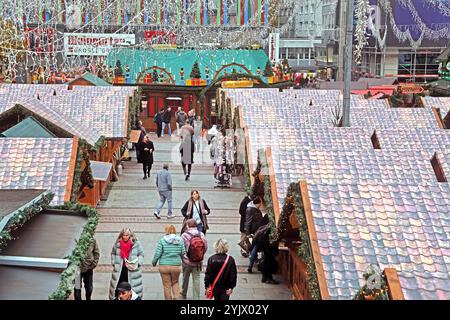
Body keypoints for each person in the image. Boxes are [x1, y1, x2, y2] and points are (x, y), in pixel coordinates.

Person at [152, 225, 186, 300]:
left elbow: (157, 254)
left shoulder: (162, 240)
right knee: (175, 282)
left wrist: (154, 263)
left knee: (166, 285)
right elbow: (183, 252)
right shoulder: (180, 240)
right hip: (176, 266)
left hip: (164, 266)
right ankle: (176, 298)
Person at [109, 228, 144, 300]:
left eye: (127, 235)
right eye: (123, 235)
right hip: (120, 270)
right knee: (118, 288)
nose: (125, 237)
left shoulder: (136, 244)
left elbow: (141, 254)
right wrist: (114, 262)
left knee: (132, 289)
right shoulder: (117, 244)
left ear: (130, 235)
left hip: (132, 269)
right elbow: (113, 253)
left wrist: (138, 263)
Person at [180, 219, 208, 300]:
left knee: (185, 277)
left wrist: (184, 257)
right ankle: (196, 297)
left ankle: (183, 293)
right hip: (198, 262)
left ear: (188, 226)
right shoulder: (201, 234)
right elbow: (205, 247)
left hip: (186, 261)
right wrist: (200, 255)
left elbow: (181, 248)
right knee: (196, 279)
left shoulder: (184, 235)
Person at [245, 197, 264, 273]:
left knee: (253, 248)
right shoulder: (250, 210)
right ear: (258, 203)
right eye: (260, 204)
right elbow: (248, 222)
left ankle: (252, 263)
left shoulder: (254, 209)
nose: (261, 205)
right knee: (254, 248)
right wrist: (248, 233)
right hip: (254, 232)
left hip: (256, 232)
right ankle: (250, 265)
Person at [238, 193, 253, 257]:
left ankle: (246, 250)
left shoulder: (250, 201)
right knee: (244, 236)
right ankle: (243, 250)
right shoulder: (245, 201)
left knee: (246, 238)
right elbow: (241, 211)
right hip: (244, 222)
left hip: (247, 223)